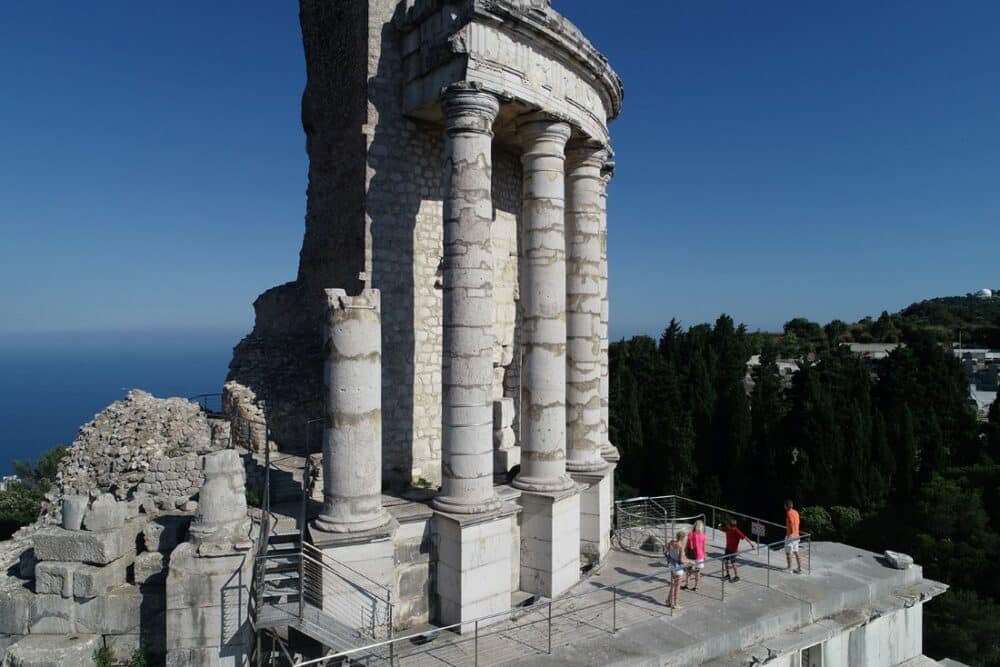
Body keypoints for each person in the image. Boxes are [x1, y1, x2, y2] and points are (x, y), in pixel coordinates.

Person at [718, 518, 756, 582]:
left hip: (734, 551)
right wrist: (720, 525)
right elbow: (720, 529)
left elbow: (744, 537)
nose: (731, 528)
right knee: (725, 561)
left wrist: (751, 544)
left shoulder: (737, 531)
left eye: (732, 527)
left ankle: (736, 576)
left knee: (733, 564)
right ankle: (728, 575)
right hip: (727, 548)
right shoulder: (727, 528)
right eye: (730, 526)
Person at [664, 530, 691, 608]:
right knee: (677, 586)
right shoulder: (680, 546)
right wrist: (690, 561)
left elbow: (665, 551)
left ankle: (668, 600)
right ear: (683, 538)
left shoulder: (671, 542)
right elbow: (681, 560)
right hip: (678, 567)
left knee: (673, 584)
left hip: (671, 565)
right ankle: (675, 604)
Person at [682, 520, 706, 591]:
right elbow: (703, 547)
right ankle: (696, 586)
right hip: (700, 555)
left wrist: (685, 553)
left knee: (688, 570)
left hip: (691, 555)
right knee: (697, 572)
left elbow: (689, 545)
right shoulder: (703, 536)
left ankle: (686, 584)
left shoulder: (691, 534)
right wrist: (704, 555)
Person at [784, 499, 803, 574]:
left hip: (791, 536)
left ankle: (789, 568)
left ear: (786, 506)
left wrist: (790, 534)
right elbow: (798, 522)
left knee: (788, 553)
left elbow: (791, 523)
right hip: (797, 535)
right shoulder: (796, 512)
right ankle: (799, 567)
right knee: (796, 551)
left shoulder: (789, 513)